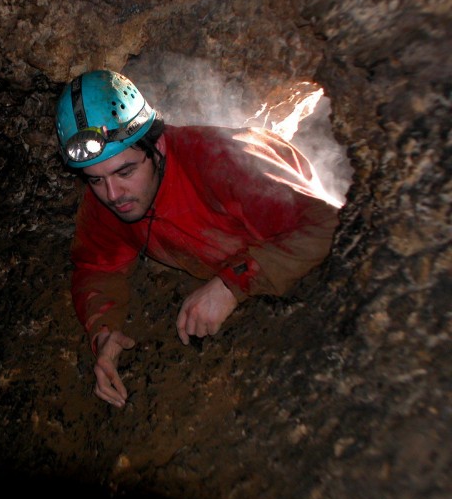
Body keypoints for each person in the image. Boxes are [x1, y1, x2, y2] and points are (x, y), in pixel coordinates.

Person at [56, 69, 341, 408]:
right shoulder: (105, 198)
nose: (113, 194)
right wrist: (103, 332)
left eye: (126, 171)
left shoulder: (222, 160)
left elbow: (328, 224)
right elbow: (95, 267)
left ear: (156, 145)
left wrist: (231, 284)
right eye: (95, 180)